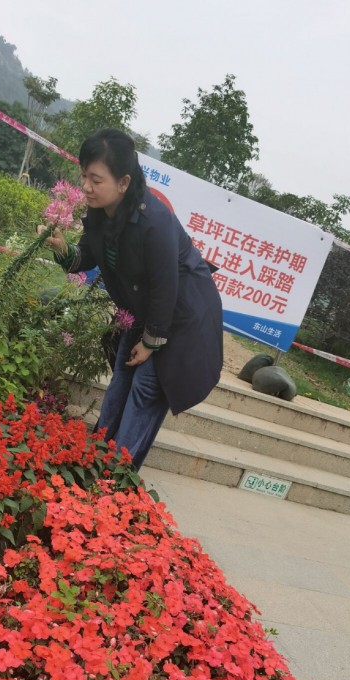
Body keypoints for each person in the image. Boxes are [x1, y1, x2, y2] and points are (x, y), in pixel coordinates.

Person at [47, 129, 224, 469]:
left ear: (124, 182)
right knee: (122, 376)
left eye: (96, 179)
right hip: (142, 309)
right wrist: (62, 249)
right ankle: (95, 458)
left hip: (182, 315)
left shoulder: (154, 222)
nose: (86, 186)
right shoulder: (101, 212)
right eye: (84, 176)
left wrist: (150, 342)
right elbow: (86, 256)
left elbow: (165, 286)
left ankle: (117, 474)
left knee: (146, 386)